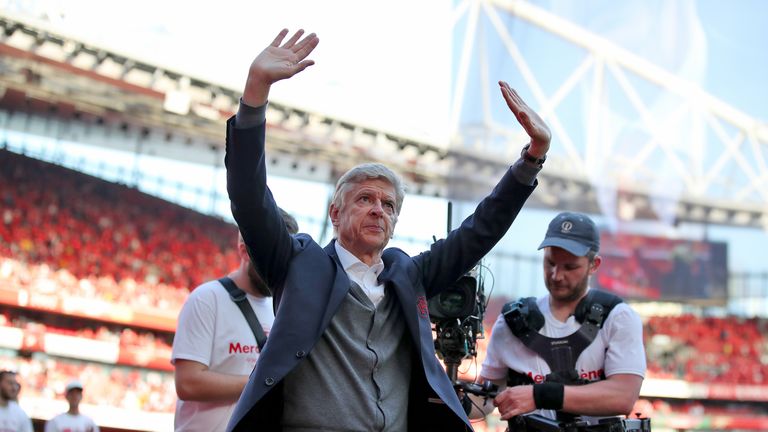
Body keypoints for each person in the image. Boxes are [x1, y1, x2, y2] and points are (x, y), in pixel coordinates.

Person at [223, 28, 551, 431]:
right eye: (364, 199)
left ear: (395, 224)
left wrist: (532, 159)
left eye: (388, 205)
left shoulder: (407, 275)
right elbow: (248, 196)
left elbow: (479, 232)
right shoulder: (297, 262)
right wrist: (256, 94)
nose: (378, 210)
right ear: (335, 213)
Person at [472, 211, 646, 426]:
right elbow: (484, 401)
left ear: (594, 265)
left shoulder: (618, 317)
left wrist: (539, 395)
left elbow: (623, 396)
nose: (556, 275)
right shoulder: (511, 323)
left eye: (570, 267)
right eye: (550, 263)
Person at [171, 209, 299, 432]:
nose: (279, 268)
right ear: (244, 251)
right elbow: (187, 383)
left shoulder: (284, 308)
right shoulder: (207, 299)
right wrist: (264, 382)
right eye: (271, 257)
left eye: (285, 258)